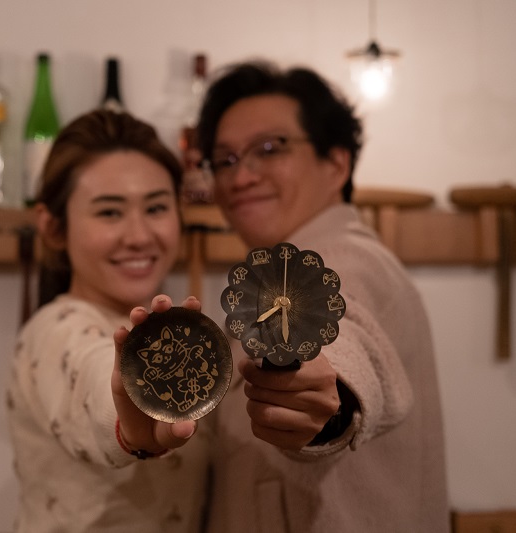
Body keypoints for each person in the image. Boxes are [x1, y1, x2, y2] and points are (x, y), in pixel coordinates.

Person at [191, 61, 450, 531]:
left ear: (336, 163)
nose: (241, 177)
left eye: (269, 149)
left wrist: (324, 398)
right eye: (225, 160)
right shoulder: (275, 274)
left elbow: (344, 338)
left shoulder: (345, 260)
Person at [6, 109, 208, 533]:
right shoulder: (55, 329)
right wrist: (128, 420)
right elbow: (91, 372)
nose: (139, 235)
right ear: (53, 227)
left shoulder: (182, 336)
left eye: (156, 207)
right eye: (109, 213)